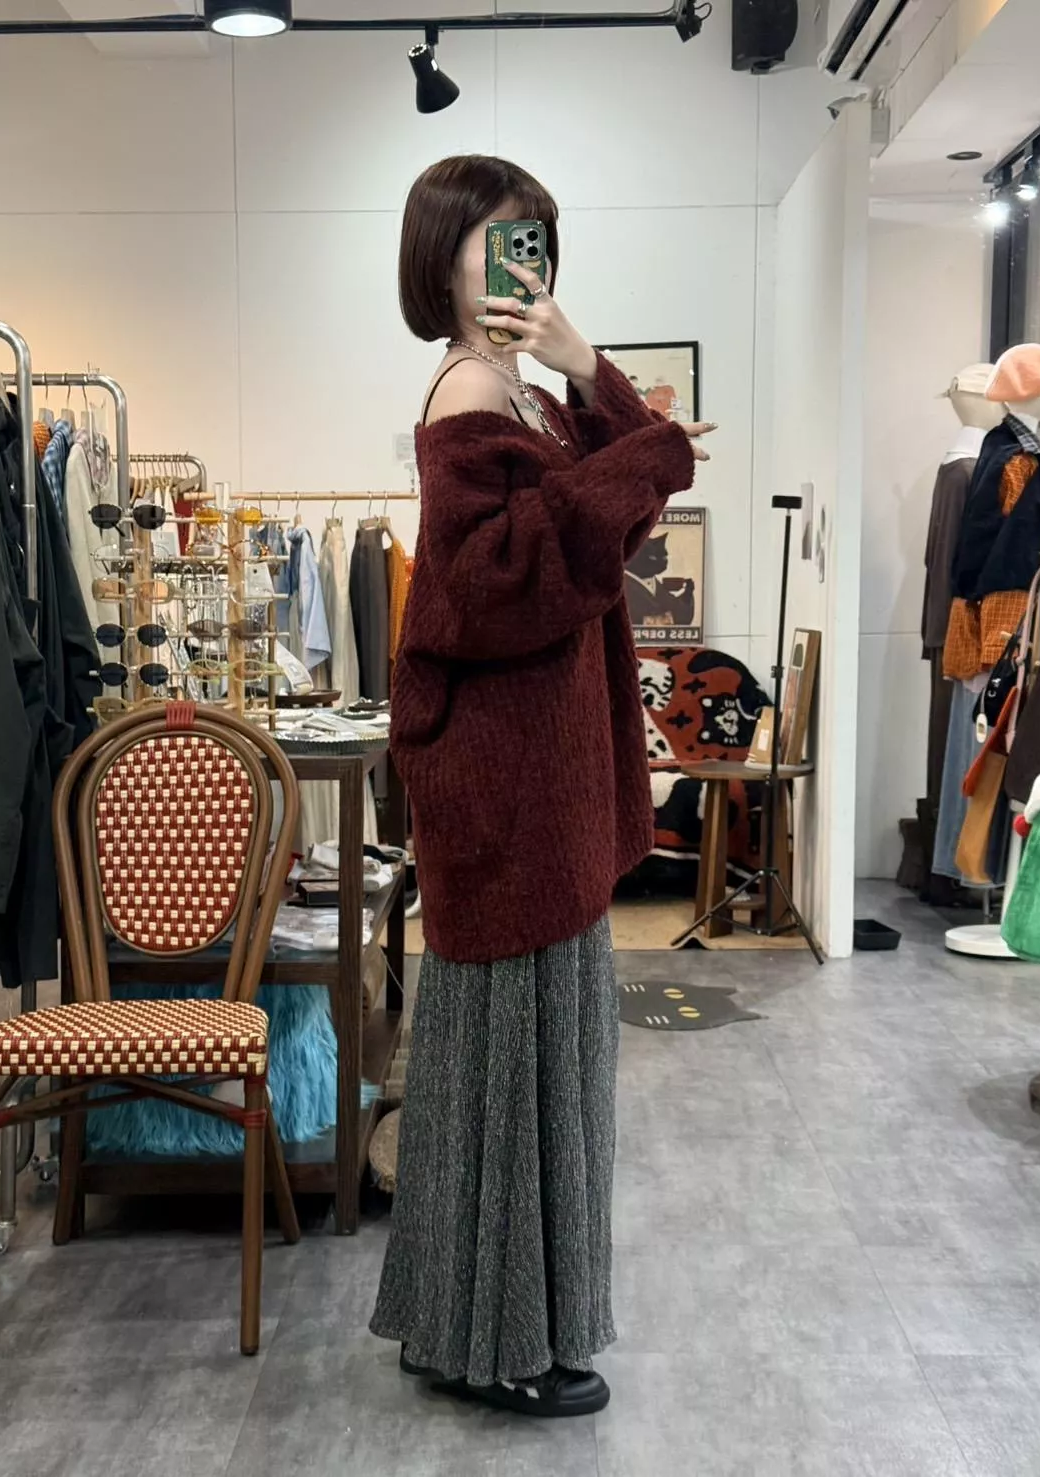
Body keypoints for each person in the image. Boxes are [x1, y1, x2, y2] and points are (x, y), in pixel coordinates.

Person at [370, 154, 713, 1418]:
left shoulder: (522, 387)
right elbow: (496, 585)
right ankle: (503, 1343)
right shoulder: (470, 390)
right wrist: (619, 444)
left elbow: (631, 500)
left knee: (509, 1066)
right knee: (514, 1068)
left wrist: (583, 367)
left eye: (537, 240)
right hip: (509, 779)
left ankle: (460, 1324)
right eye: (498, 239)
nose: (524, 262)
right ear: (442, 254)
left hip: (536, 771)